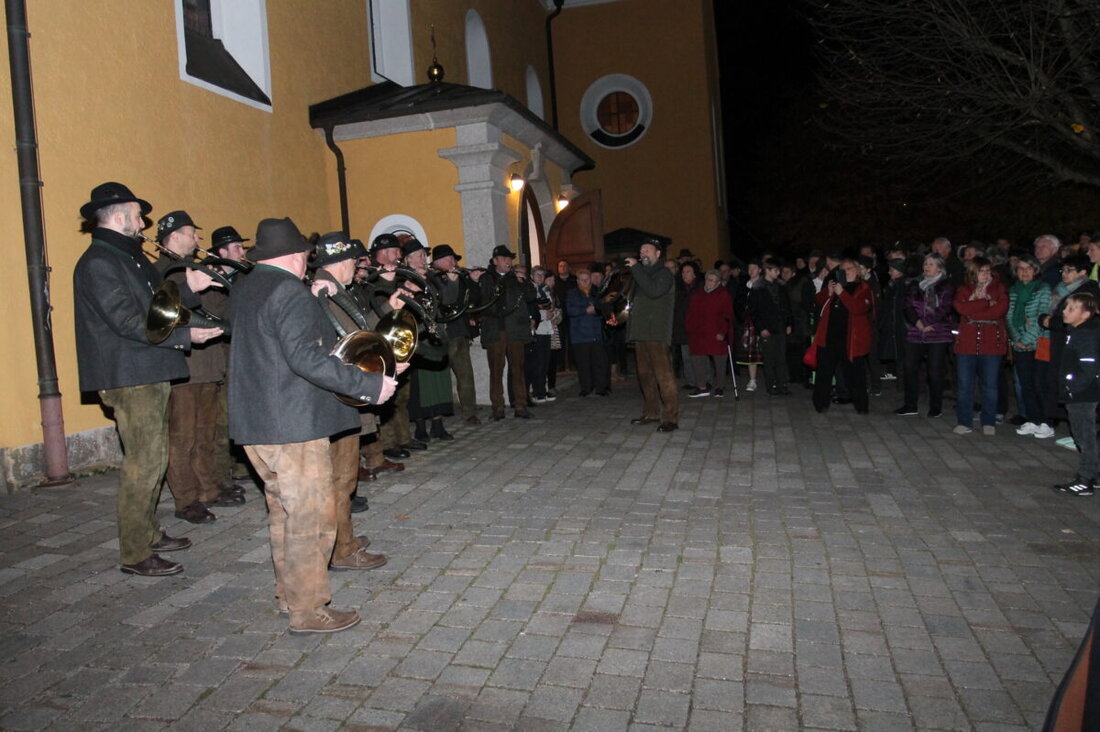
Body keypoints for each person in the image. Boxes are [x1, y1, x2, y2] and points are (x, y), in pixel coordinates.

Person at [229, 217, 399, 634]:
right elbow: (307, 359)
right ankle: (309, 609)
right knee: (312, 518)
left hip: (257, 422)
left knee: (283, 515)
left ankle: (290, 596)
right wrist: (369, 386)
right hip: (294, 425)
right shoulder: (288, 291)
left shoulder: (250, 287)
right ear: (295, 256)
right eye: (306, 255)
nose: (309, 261)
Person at [73, 182, 221, 577]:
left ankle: (150, 532)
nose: (143, 223)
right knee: (144, 462)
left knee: (154, 458)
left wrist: (190, 288)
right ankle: (136, 552)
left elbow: (158, 302)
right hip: (130, 374)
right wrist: (185, 336)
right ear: (120, 215)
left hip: (147, 369)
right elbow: (127, 321)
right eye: (138, 215)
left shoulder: (127, 257)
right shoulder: (100, 262)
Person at [309, 231, 390, 570]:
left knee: (343, 477)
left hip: (345, 391)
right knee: (341, 478)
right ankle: (341, 550)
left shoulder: (336, 289)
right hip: (340, 394)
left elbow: (359, 330)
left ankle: (343, 539)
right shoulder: (325, 292)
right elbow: (351, 342)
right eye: (354, 261)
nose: (357, 267)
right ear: (341, 262)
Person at [152, 210, 226, 524]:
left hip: (207, 363)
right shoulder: (159, 272)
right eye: (190, 233)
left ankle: (208, 488)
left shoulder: (195, 268)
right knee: (181, 439)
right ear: (174, 235)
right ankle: (186, 499)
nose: (196, 239)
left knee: (204, 433)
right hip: (182, 367)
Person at [402, 237, 454, 441]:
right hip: (418, 333)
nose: (425, 258)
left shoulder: (433, 277)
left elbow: (447, 300)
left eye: (425, 255)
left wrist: (451, 283)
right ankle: (420, 426)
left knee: (439, 378)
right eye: (421, 255)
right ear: (409, 259)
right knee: (420, 384)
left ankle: (438, 424)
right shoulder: (403, 278)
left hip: (436, 332)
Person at [626, 238, 679, 431]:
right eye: (641, 251)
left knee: (663, 376)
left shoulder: (664, 274)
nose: (643, 254)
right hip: (641, 333)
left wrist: (636, 270)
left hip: (656, 333)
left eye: (647, 250)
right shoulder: (641, 274)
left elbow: (653, 291)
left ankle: (671, 418)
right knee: (645, 376)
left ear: (658, 254)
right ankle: (651, 412)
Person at [952, 257, 1009, 435]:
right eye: (980, 271)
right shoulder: (963, 290)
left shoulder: (999, 289)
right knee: (964, 385)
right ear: (972, 273)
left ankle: (988, 421)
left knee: (990, 385)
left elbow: (999, 310)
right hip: (967, 344)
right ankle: (964, 421)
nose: (984, 274)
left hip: (991, 344)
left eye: (987, 270)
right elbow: (961, 309)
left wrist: (974, 310)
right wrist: (984, 303)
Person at [1051, 292, 1100, 496]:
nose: (1064, 311)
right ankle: (1094, 474)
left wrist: (1071, 387)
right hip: (1080, 392)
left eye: (1071, 309)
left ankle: (1085, 479)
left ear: (1086, 314)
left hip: (1083, 394)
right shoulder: (1078, 330)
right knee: (1084, 433)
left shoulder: (1086, 334)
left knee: (1084, 435)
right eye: (1065, 307)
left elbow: (1088, 368)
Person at [480, 245, 536, 420]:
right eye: (503, 259)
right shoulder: (487, 278)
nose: (508, 262)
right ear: (495, 261)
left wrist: (525, 281)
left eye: (509, 259)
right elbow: (480, 301)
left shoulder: (516, 278)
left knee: (518, 369)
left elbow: (531, 296)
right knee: (496, 371)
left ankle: (521, 405)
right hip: (495, 331)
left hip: (515, 330)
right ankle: (498, 408)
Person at [811, 258, 874, 414]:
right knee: (824, 373)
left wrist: (842, 293)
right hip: (829, 337)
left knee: (855, 375)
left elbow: (858, 308)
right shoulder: (837, 285)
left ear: (857, 271)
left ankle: (861, 406)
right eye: (843, 269)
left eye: (849, 268)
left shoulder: (863, 288)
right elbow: (818, 300)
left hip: (851, 340)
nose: (846, 271)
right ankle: (820, 404)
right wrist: (829, 292)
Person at [895, 254, 955, 418]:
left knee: (934, 371)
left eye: (931, 264)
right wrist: (919, 323)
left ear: (939, 268)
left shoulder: (946, 285)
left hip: (938, 332)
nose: (927, 267)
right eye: (925, 264)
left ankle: (936, 406)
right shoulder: (916, 285)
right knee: (909, 367)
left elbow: (946, 307)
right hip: (917, 331)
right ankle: (910, 404)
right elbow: (908, 306)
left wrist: (931, 323)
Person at [431, 244, 482, 424]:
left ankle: (470, 412)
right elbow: (440, 302)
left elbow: (474, 299)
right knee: (439, 378)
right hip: (441, 335)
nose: (453, 262)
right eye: (449, 259)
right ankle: (437, 413)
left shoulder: (460, 276)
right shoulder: (432, 278)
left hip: (460, 331)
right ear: (437, 262)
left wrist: (474, 281)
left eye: (454, 259)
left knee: (465, 374)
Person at [1008, 257, 1054, 438]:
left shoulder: (1043, 289)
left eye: (1028, 268)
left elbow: (1041, 316)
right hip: (1020, 344)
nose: (1024, 272)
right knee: (1025, 383)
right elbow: (1010, 317)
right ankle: (1033, 419)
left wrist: (1027, 339)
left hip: (1039, 342)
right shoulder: (1014, 291)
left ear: (1035, 270)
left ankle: (1046, 421)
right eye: (1020, 268)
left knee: (1039, 383)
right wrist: (1017, 339)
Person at [686, 269, 735, 398]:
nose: (709, 282)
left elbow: (727, 315)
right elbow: (691, 312)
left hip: (716, 331)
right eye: (708, 279)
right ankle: (702, 386)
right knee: (698, 359)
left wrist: (723, 331)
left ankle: (719, 386)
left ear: (718, 282)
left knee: (719, 360)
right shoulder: (698, 294)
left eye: (712, 280)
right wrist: (689, 327)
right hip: (699, 332)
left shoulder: (723, 295)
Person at [567, 269, 610, 396]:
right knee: (583, 364)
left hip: (596, 333)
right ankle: (586, 387)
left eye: (587, 279)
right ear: (577, 281)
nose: (585, 282)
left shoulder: (597, 293)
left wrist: (597, 310)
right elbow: (570, 311)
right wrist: (586, 310)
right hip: (579, 335)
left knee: (599, 362)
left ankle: (601, 387)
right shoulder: (572, 294)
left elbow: (604, 309)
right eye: (582, 279)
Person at [751, 260, 792, 395]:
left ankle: (782, 384)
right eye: (775, 270)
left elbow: (787, 306)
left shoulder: (781, 286)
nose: (778, 273)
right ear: (767, 270)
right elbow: (754, 311)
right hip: (767, 328)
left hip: (780, 327)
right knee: (769, 358)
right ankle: (771, 384)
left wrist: (789, 323)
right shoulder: (758, 288)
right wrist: (761, 328)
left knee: (781, 358)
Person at [735, 261, 764, 391]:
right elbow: (737, 302)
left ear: (760, 270)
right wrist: (741, 315)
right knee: (751, 353)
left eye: (754, 268)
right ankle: (752, 380)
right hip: (747, 323)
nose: (751, 270)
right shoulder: (744, 285)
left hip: (761, 323)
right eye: (749, 268)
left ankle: (773, 379)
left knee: (765, 351)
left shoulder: (764, 285)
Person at [674, 262, 702, 390]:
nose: (685, 274)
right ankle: (691, 381)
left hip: (697, 327)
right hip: (682, 327)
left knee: (700, 355)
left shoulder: (699, 288)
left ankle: (704, 380)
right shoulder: (678, 288)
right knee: (686, 356)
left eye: (688, 271)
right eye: (683, 272)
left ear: (694, 273)